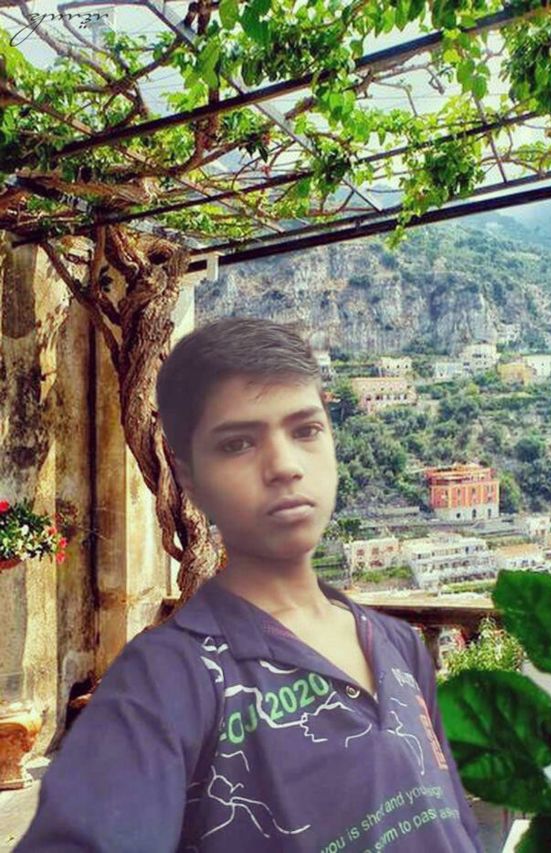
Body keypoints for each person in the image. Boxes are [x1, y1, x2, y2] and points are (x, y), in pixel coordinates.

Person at [15, 317, 483, 852]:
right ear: (189, 478)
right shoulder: (167, 682)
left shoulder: (397, 644)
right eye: (238, 443)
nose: (285, 466)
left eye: (305, 430)